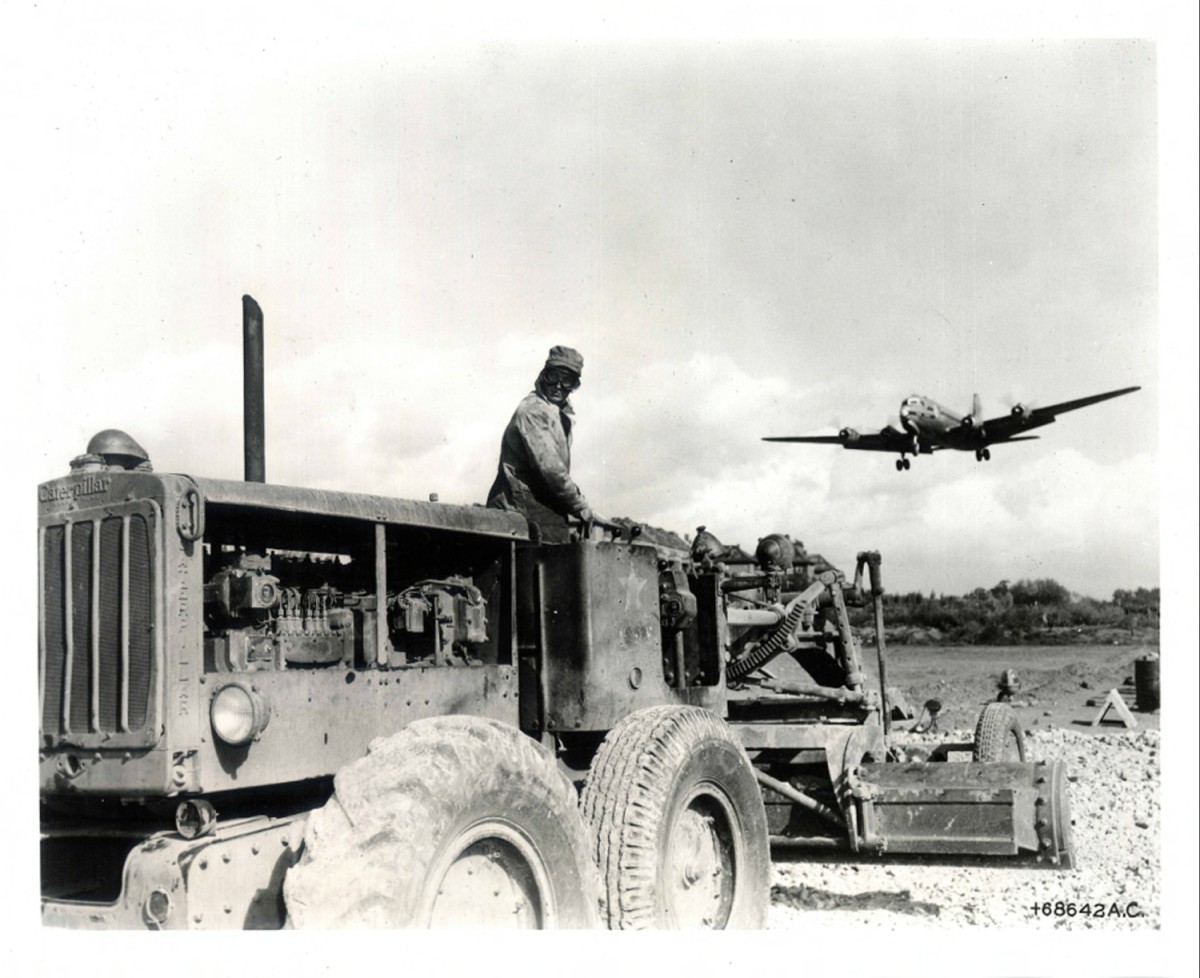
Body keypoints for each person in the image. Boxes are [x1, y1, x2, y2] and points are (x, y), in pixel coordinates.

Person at [486, 346, 597, 543]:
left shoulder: (554, 411)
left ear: (574, 385)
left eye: (568, 381)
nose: (558, 386)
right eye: (553, 377)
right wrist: (580, 506)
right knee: (555, 557)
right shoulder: (534, 411)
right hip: (520, 503)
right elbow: (552, 470)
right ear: (543, 375)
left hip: (540, 500)